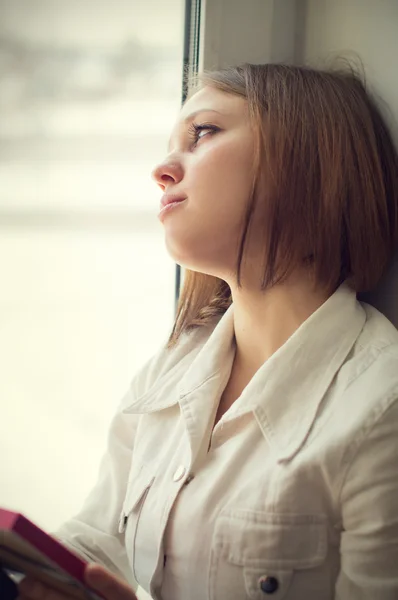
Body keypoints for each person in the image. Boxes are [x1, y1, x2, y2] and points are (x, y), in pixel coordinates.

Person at [17, 63, 398, 600]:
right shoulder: (170, 370)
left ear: (306, 161)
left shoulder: (381, 409)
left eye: (202, 133)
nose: (162, 169)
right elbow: (100, 539)